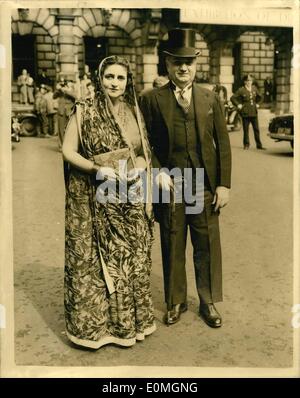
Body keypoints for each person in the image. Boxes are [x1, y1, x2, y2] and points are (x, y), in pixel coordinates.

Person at [62, 55, 156, 349]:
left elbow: (142, 152)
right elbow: (68, 150)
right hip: (95, 192)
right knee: (95, 263)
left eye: (120, 78)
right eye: (109, 77)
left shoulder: (133, 112)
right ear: (99, 79)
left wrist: (139, 167)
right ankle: (99, 330)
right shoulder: (85, 110)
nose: (114, 83)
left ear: (128, 82)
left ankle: (129, 324)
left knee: (131, 260)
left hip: (129, 195)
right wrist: (96, 169)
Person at [140, 29, 232, 328]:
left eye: (189, 62)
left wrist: (223, 184)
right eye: (177, 62)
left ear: (196, 64)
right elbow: (143, 144)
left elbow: (223, 144)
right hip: (172, 183)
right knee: (173, 241)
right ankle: (175, 300)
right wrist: (156, 170)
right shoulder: (152, 99)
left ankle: (207, 302)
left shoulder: (210, 98)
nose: (183, 68)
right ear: (167, 64)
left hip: (204, 185)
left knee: (206, 243)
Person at [231, 74, 266, 150]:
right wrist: (238, 105)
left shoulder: (254, 88)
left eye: (250, 80)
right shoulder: (241, 90)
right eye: (248, 81)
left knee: (256, 129)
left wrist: (258, 104)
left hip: (254, 112)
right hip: (245, 113)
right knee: (246, 130)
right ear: (245, 82)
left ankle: (259, 145)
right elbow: (233, 98)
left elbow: (261, 97)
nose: (249, 82)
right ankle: (246, 144)